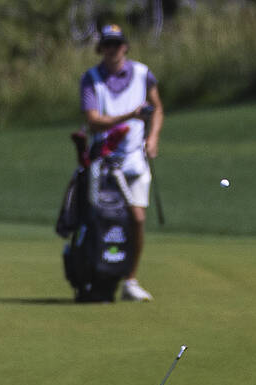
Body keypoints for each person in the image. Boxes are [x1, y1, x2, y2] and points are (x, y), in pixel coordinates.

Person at [80, 23, 164, 302]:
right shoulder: (91, 78)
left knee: (137, 219)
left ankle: (130, 279)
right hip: (104, 163)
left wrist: (153, 137)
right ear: (101, 48)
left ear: (125, 46)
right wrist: (130, 115)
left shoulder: (142, 73)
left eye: (117, 43)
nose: (113, 49)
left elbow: (158, 108)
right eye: (107, 44)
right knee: (103, 222)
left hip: (135, 160)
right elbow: (93, 121)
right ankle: (98, 277)